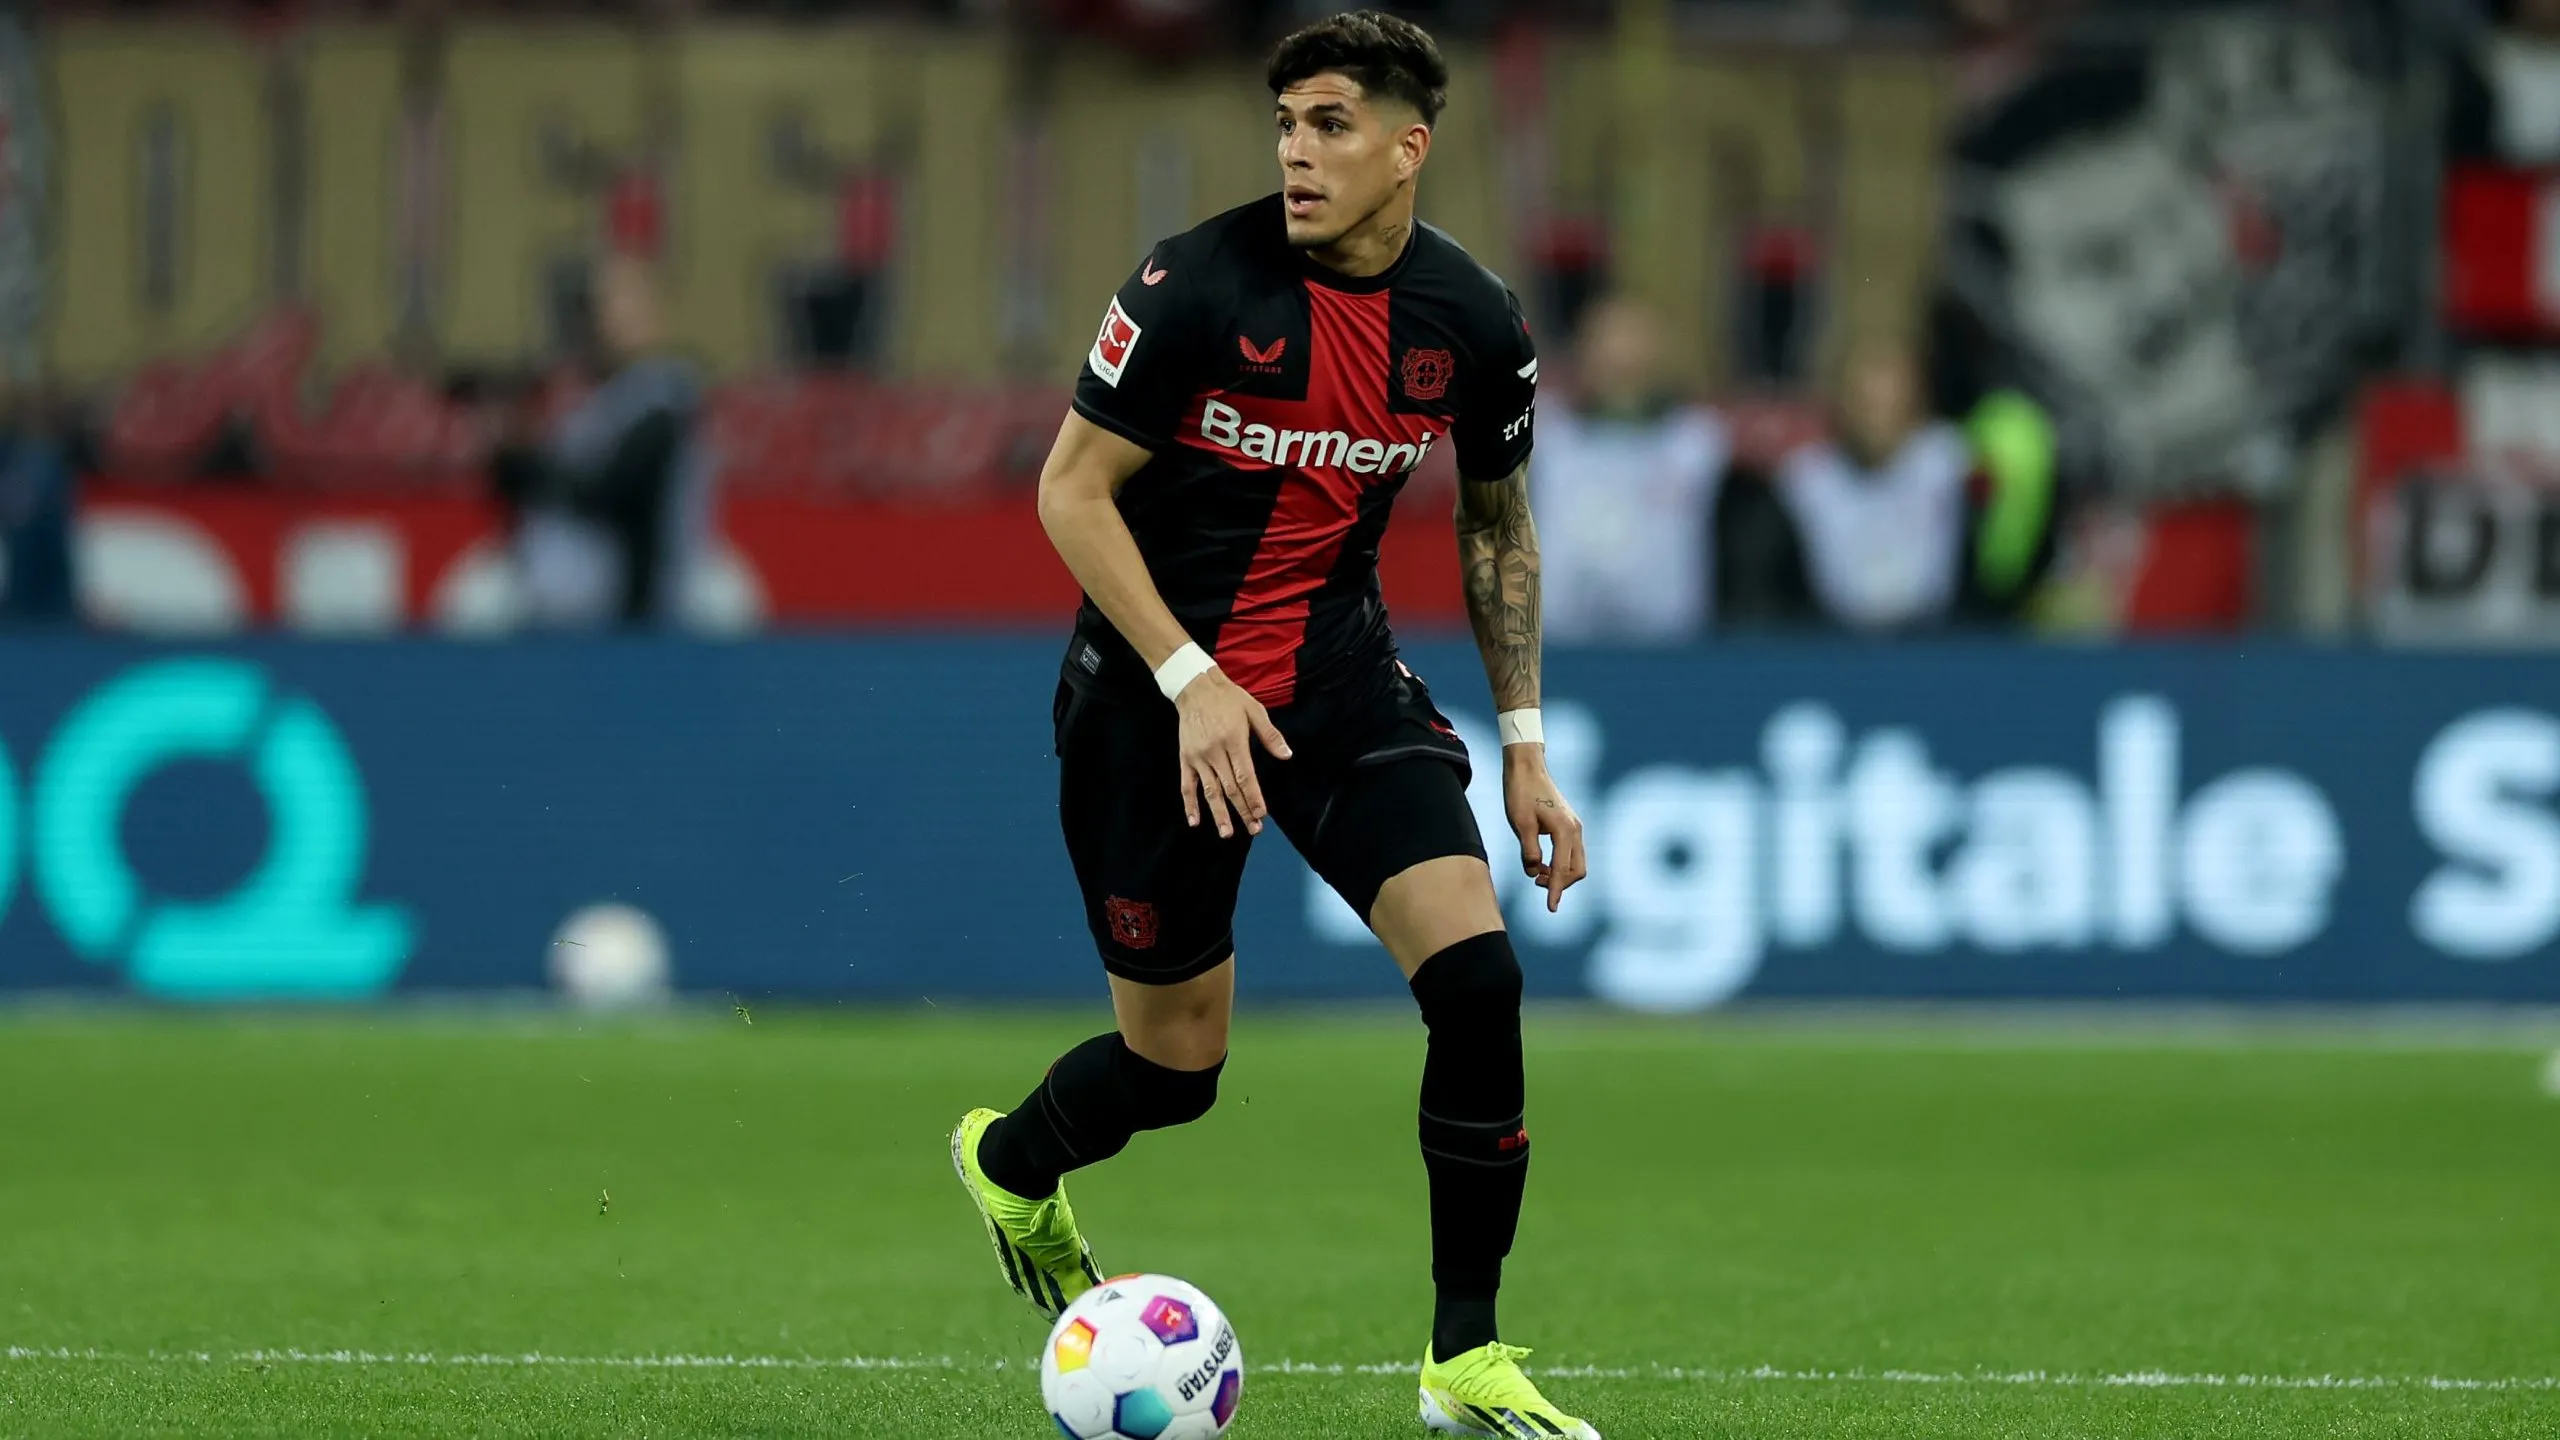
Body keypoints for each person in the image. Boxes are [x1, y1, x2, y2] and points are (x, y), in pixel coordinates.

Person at [946, 14, 1599, 1437]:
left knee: (1479, 983)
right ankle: (1010, 1160)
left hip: (1336, 686)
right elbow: (1070, 492)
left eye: (1332, 125)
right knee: (1178, 1073)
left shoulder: (1472, 324)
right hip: (1148, 704)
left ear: (1407, 146)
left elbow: (1498, 529)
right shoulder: (1195, 285)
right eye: (1287, 124)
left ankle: (1465, 1356)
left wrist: (1528, 745)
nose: (1299, 153)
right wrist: (1189, 677)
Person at [487, 254, 712, 630]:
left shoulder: (664, 403)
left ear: (653, 312)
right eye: (599, 306)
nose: (607, 319)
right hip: (568, 622)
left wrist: (528, 465)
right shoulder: (594, 404)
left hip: (634, 618)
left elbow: (611, 491)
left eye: (623, 303)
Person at [1531, 296, 1729, 644]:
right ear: (1583, 356)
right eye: (1610, 355)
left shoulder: (1698, 441)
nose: (1623, 365)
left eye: (1634, 355)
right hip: (1560, 651)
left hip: (1670, 651)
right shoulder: (1544, 433)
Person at [1777, 335, 1974, 634]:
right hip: (1834, 644)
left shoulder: (1946, 457)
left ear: (1915, 398)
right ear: (1843, 400)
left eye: (1891, 399)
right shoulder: (1808, 475)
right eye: (1867, 401)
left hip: (1934, 642)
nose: (1879, 414)